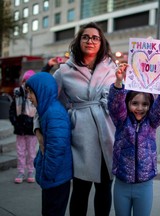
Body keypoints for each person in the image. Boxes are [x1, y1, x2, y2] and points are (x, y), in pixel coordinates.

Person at [34, 22, 117, 216]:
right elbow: (47, 100)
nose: (90, 41)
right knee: (80, 190)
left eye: (95, 37)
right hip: (81, 139)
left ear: (101, 42)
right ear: (79, 41)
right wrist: (38, 129)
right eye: (85, 37)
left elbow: (124, 98)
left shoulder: (112, 68)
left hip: (108, 136)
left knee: (105, 190)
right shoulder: (64, 71)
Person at [107, 64, 160, 216]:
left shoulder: (152, 122)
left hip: (145, 185)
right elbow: (115, 105)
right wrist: (119, 83)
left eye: (145, 104)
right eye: (135, 103)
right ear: (127, 104)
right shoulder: (121, 120)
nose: (140, 108)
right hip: (122, 183)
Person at [26, 72, 73, 216]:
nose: (28, 97)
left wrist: (47, 173)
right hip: (54, 178)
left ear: (41, 91)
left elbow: (56, 149)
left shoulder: (54, 114)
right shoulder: (48, 111)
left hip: (56, 179)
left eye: (30, 93)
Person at [9, 70, 37, 184]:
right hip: (20, 127)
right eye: (25, 81)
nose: (26, 84)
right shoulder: (17, 93)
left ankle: (31, 171)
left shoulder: (35, 94)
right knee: (20, 151)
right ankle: (21, 171)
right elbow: (12, 110)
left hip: (31, 127)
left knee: (31, 151)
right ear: (23, 81)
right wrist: (14, 122)